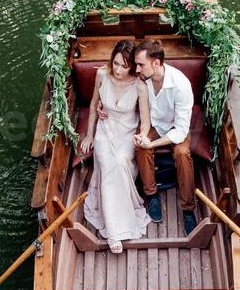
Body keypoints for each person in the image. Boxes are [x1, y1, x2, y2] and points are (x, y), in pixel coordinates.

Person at [77, 40, 153, 253]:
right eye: (116, 63)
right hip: (104, 129)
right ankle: (114, 233)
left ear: (132, 66)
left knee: (120, 161)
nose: (118, 69)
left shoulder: (140, 86)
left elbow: (145, 121)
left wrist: (142, 136)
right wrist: (89, 135)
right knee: (107, 160)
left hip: (126, 132)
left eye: (124, 65)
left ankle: (120, 222)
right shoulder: (102, 75)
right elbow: (93, 104)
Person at [132, 41, 198, 234]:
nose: (137, 69)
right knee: (141, 148)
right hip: (153, 124)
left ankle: (188, 209)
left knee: (182, 154)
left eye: (140, 64)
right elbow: (145, 117)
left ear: (156, 63)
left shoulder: (181, 85)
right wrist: (144, 137)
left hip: (177, 128)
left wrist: (152, 143)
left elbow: (180, 130)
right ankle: (151, 195)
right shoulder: (143, 80)